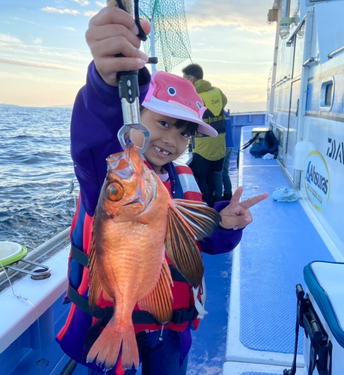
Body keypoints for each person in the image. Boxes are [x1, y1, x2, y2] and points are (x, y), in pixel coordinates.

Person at [56, 5, 268, 375]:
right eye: (164, 122)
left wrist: (226, 224)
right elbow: (94, 134)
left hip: (168, 328)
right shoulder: (110, 176)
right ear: (136, 117)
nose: (172, 138)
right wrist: (108, 82)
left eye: (185, 131)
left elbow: (201, 241)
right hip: (111, 321)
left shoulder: (183, 180)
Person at [182, 63, 228, 206]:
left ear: (192, 80)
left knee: (200, 178)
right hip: (220, 146)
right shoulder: (218, 92)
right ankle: (218, 202)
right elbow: (223, 103)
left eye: (185, 79)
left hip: (202, 148)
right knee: (215, 177)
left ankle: (208, 206)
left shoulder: (192, 96)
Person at [214, 109, 233, 201]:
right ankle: (228, 194)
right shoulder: (225, 114)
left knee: (218, 173)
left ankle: (217, 197)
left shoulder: (217, 115)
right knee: (225, 172)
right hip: (230, 145)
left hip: (222, 147)